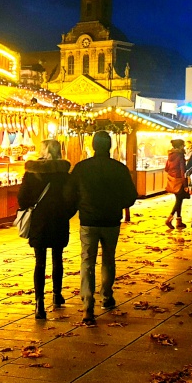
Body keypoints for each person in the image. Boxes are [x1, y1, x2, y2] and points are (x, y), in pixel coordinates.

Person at [65, 131, 138, 325]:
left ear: (93, 145)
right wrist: (117, 205)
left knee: (87, 261)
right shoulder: (119, 168)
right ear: (110, 146)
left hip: (88, 220)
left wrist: (79, 206)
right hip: (111, 220)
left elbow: (70, 194)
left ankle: (88, 305)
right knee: (108, 259)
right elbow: (131, 195)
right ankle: (107, 296)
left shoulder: (81, 168)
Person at [17, 139, 75, 320]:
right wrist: (65, 213)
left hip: (39, 222)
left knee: (39, 261)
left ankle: (39, 304)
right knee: (58, 258)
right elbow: (73, 199)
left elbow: (22, 199)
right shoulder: (64, 174)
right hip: (58, 220)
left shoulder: (32, 172)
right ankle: (57, 295)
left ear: (44, 151)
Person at [163, 139, 189, 230]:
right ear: (180, 146)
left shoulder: (170, 155)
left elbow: (166, 168)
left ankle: (179, 221)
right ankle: (169, 219)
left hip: (172, 180)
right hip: (179, 181)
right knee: (178, 201)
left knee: (179, 199)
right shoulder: (180, 156)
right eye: (183, 145)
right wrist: (185, 185)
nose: (184, 146)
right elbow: (183, 171)